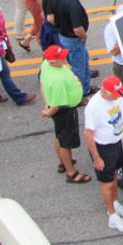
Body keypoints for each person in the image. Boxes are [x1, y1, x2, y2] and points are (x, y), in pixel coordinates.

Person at [83, 78, 123, 235]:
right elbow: (88, 134)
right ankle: (112, 215)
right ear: (105, 92)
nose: (118, 97)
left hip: (115, 142)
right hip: (104, 148)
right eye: (115, 94)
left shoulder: (113, 98)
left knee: (114, 175)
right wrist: (97, 158)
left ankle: (115, 202)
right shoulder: (94, 108)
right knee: (107, 182)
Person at [39, 44, 88, 182]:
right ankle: (71, 173)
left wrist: (46, 104)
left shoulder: (46, 66)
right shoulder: (58, 81)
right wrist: (49, 111)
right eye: (61, 57)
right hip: (65, 111)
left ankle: (63, 162)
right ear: (52, 61)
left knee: (59, 136)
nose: (64, 57)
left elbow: (42, 85)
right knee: (65, 142)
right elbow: (56, 106)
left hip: (58, 109)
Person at [54, 0, 93, 94]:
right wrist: (84, 36)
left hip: (63, 36)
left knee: (81, 62)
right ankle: (80, 93)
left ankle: (86, 88)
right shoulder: (72, 3)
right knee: (79, 68)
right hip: (74, 40)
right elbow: (77, 28)